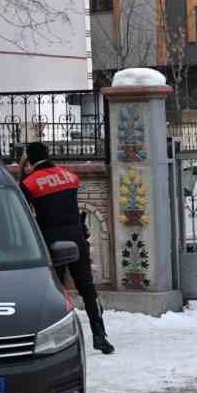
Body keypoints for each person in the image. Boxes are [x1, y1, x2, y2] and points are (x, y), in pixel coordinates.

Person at [18, 141, 115, 355]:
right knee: (87, 288)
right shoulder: (70, 177)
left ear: (30, 159)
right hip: (77, 237)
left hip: (51, 241)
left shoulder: (29, 183)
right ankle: (100, 335)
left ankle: (59, 338)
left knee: (56, 292)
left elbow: (23, 212)